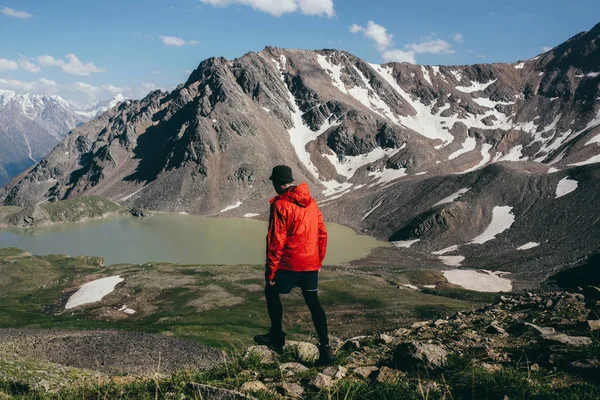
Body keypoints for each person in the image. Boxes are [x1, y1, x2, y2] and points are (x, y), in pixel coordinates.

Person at [254, 165, 335, 365]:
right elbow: (322, 233)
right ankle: (325, 349)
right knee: (313, 302)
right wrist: (319, 261)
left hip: (289, 264)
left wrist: (270, 272)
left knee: (271, 291)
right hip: (310, 264)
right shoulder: (312, 203)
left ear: (276, 183)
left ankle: (277, 336)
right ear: (290, 181)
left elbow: (276, 241)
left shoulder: (280, 205)